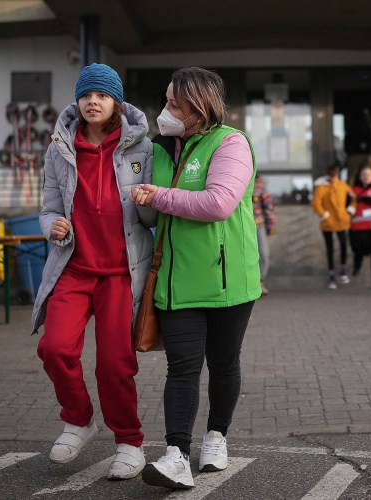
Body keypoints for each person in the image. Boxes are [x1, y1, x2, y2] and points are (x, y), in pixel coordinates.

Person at [129, 67, 261, 491]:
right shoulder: (157, 149)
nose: (165, 110)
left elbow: (219, 203)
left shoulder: (231, 143)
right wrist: (143, 201)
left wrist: (159, 196)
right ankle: (176, 455)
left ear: (199, 109)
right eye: (166, 100)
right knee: (182, 368)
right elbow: (150, 216)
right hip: (175, 280)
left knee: (223, 363)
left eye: (174, 104)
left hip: (228, 280)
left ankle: (216, 436)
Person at [30, 63, 156, 478]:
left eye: (102, 95)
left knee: (114, 365)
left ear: (116, 102)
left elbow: (151, 218)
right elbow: (48, 208)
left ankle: (130, 441)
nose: (93, 102)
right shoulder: (59, 148)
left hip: (121, 273)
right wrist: (52, 225)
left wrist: (147, 201)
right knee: (54, 348)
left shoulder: (143, 148)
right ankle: (79, 420)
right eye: (86, 95)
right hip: (73, 267)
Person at [311, 162, 355, 289]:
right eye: (331, 176)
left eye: (335, 176)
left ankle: (343, 270)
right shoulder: (321, 187)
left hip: (342, 220)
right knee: (329, 248)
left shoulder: (343, 185)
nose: (333, 178)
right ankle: (331, 275)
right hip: (328, 222)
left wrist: (351, 209)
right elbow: (315, 203)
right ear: (327, 175)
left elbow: (353, 198)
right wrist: (324, 214)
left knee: (343, 245)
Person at [253, 174, 275, 295]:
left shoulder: (259, 184)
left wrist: (270, 226)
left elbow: (268, 206)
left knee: (263, 253)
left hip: (258, 224)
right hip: (241, 225)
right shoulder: (237, 180)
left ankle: (260, 282)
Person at [344, 106, 371, 185]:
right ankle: (367, 190)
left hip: (354, 153)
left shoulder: (353, 124)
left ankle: (349, 192)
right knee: (367, 175)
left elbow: (347, 139)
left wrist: (348, 151)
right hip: (367, 153)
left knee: (352, 175)